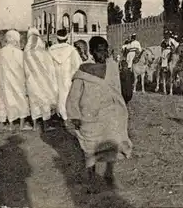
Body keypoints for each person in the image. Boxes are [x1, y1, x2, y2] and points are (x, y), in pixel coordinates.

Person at [65, 36, 132, 193]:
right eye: (99, 51)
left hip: (109, 114)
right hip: (89, 117)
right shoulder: (83, 71)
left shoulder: (113, 67)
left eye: (105, 50)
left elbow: (121, 91)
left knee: (112, 142)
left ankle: (109, 175)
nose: (103, 54)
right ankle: (91, 179)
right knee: (90, 148)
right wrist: (74, 115)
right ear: (92, 52)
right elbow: (74, 96)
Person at [0, 30, 31, 132]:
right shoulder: (20, 53)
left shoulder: (1, 52)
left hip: (3, 81)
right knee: (20, 100)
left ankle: (6, 124)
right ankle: (21, 125)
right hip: (18, 81)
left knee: (3, 100)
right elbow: (25, 69)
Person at [24, 27, 58, 132]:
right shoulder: (44, 53)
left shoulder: (26, 54)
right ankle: (46, 126)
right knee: (45, 103)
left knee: (33, 103)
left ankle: (34, 126)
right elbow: (51, 69)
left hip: (31, 83)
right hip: (44, 82)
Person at [49, 28, 82, 123]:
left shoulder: (51, 50)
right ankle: (67, 115)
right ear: (67, 37)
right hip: (68, 76)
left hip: (55, 76)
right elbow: (77, 65)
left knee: (58, 94)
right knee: (67, 95)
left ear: (57, 38)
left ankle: (60, 114)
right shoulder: (71, 50)